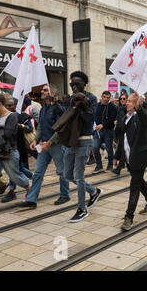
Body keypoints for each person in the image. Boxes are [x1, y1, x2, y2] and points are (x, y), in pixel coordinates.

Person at [17, 85, 70, 208]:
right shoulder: (43, 108)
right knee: (37, 172)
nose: (42, 91)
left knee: (62, 171)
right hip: (43, 145)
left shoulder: (58, 109)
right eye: (42, 90)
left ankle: (65, 195)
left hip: (56, 145)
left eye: (45, 90)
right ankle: (31, 199)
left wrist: (49, 143)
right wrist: (35, 140)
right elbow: (40, 126)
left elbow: (60, 128)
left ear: (53, 94)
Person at [115, 92, 147, 231]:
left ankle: (129, 217)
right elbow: (122, 138)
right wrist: (117, 156)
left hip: (139, 157)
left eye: (130, 102)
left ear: (137, 104)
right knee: (139, 181)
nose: (127, 103)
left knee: (134, 185)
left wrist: (139, 107)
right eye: (126, 101)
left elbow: (145, 118)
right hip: (128, 157)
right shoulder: (125, 116)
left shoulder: (142, 117)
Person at [64, 71, 102, 222]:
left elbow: (88, 119)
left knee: (79, 176)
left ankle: (82, 208)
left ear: (83, 85)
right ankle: (93, 191)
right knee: (67, 174)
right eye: (71, 84)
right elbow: (66, 118)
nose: (73, 87)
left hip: (85, 140)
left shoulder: (91, 98)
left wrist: (79, 104)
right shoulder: (70, 99)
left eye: (76, 84)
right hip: (71, 140)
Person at [0, 93, 30, 213]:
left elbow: (8, 134)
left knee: (15, 177)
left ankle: (29, 189)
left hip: (8, 152)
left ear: (0, 104)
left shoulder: (12, 116)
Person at [1, 97, 34, 203]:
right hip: (7, 147)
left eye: (10, 105)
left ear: (16, 106)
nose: (8, 107)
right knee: (17, 168)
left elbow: (30, 129)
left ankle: (12, 191)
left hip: (19, 147)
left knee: (16, 168)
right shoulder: (3, 117)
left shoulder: (22, 116)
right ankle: (35, 178)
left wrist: (21, 126)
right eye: (6, 105)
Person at [93, 91, 117, 173]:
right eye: (104, 97)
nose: (106, 99)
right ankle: (99, 165)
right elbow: (95, 116)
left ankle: (110, 165)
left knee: (109, 148)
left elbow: (112, 119)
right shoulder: (97, 105)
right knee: (95, 147)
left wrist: (103, 125)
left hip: (108, 130)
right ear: (101, 97)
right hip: (98, 131)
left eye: (108, 97)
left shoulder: (112, 107)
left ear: (110, 98)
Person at [111, 94, 128, 175]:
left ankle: (119, 168)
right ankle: (126, 165)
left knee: (123, 149)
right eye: (121, 99)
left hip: (126, 132)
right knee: (123, 149)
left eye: (124, 99)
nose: (122, 100)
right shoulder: (119, 108)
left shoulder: (123, 108)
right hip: (121, 132)